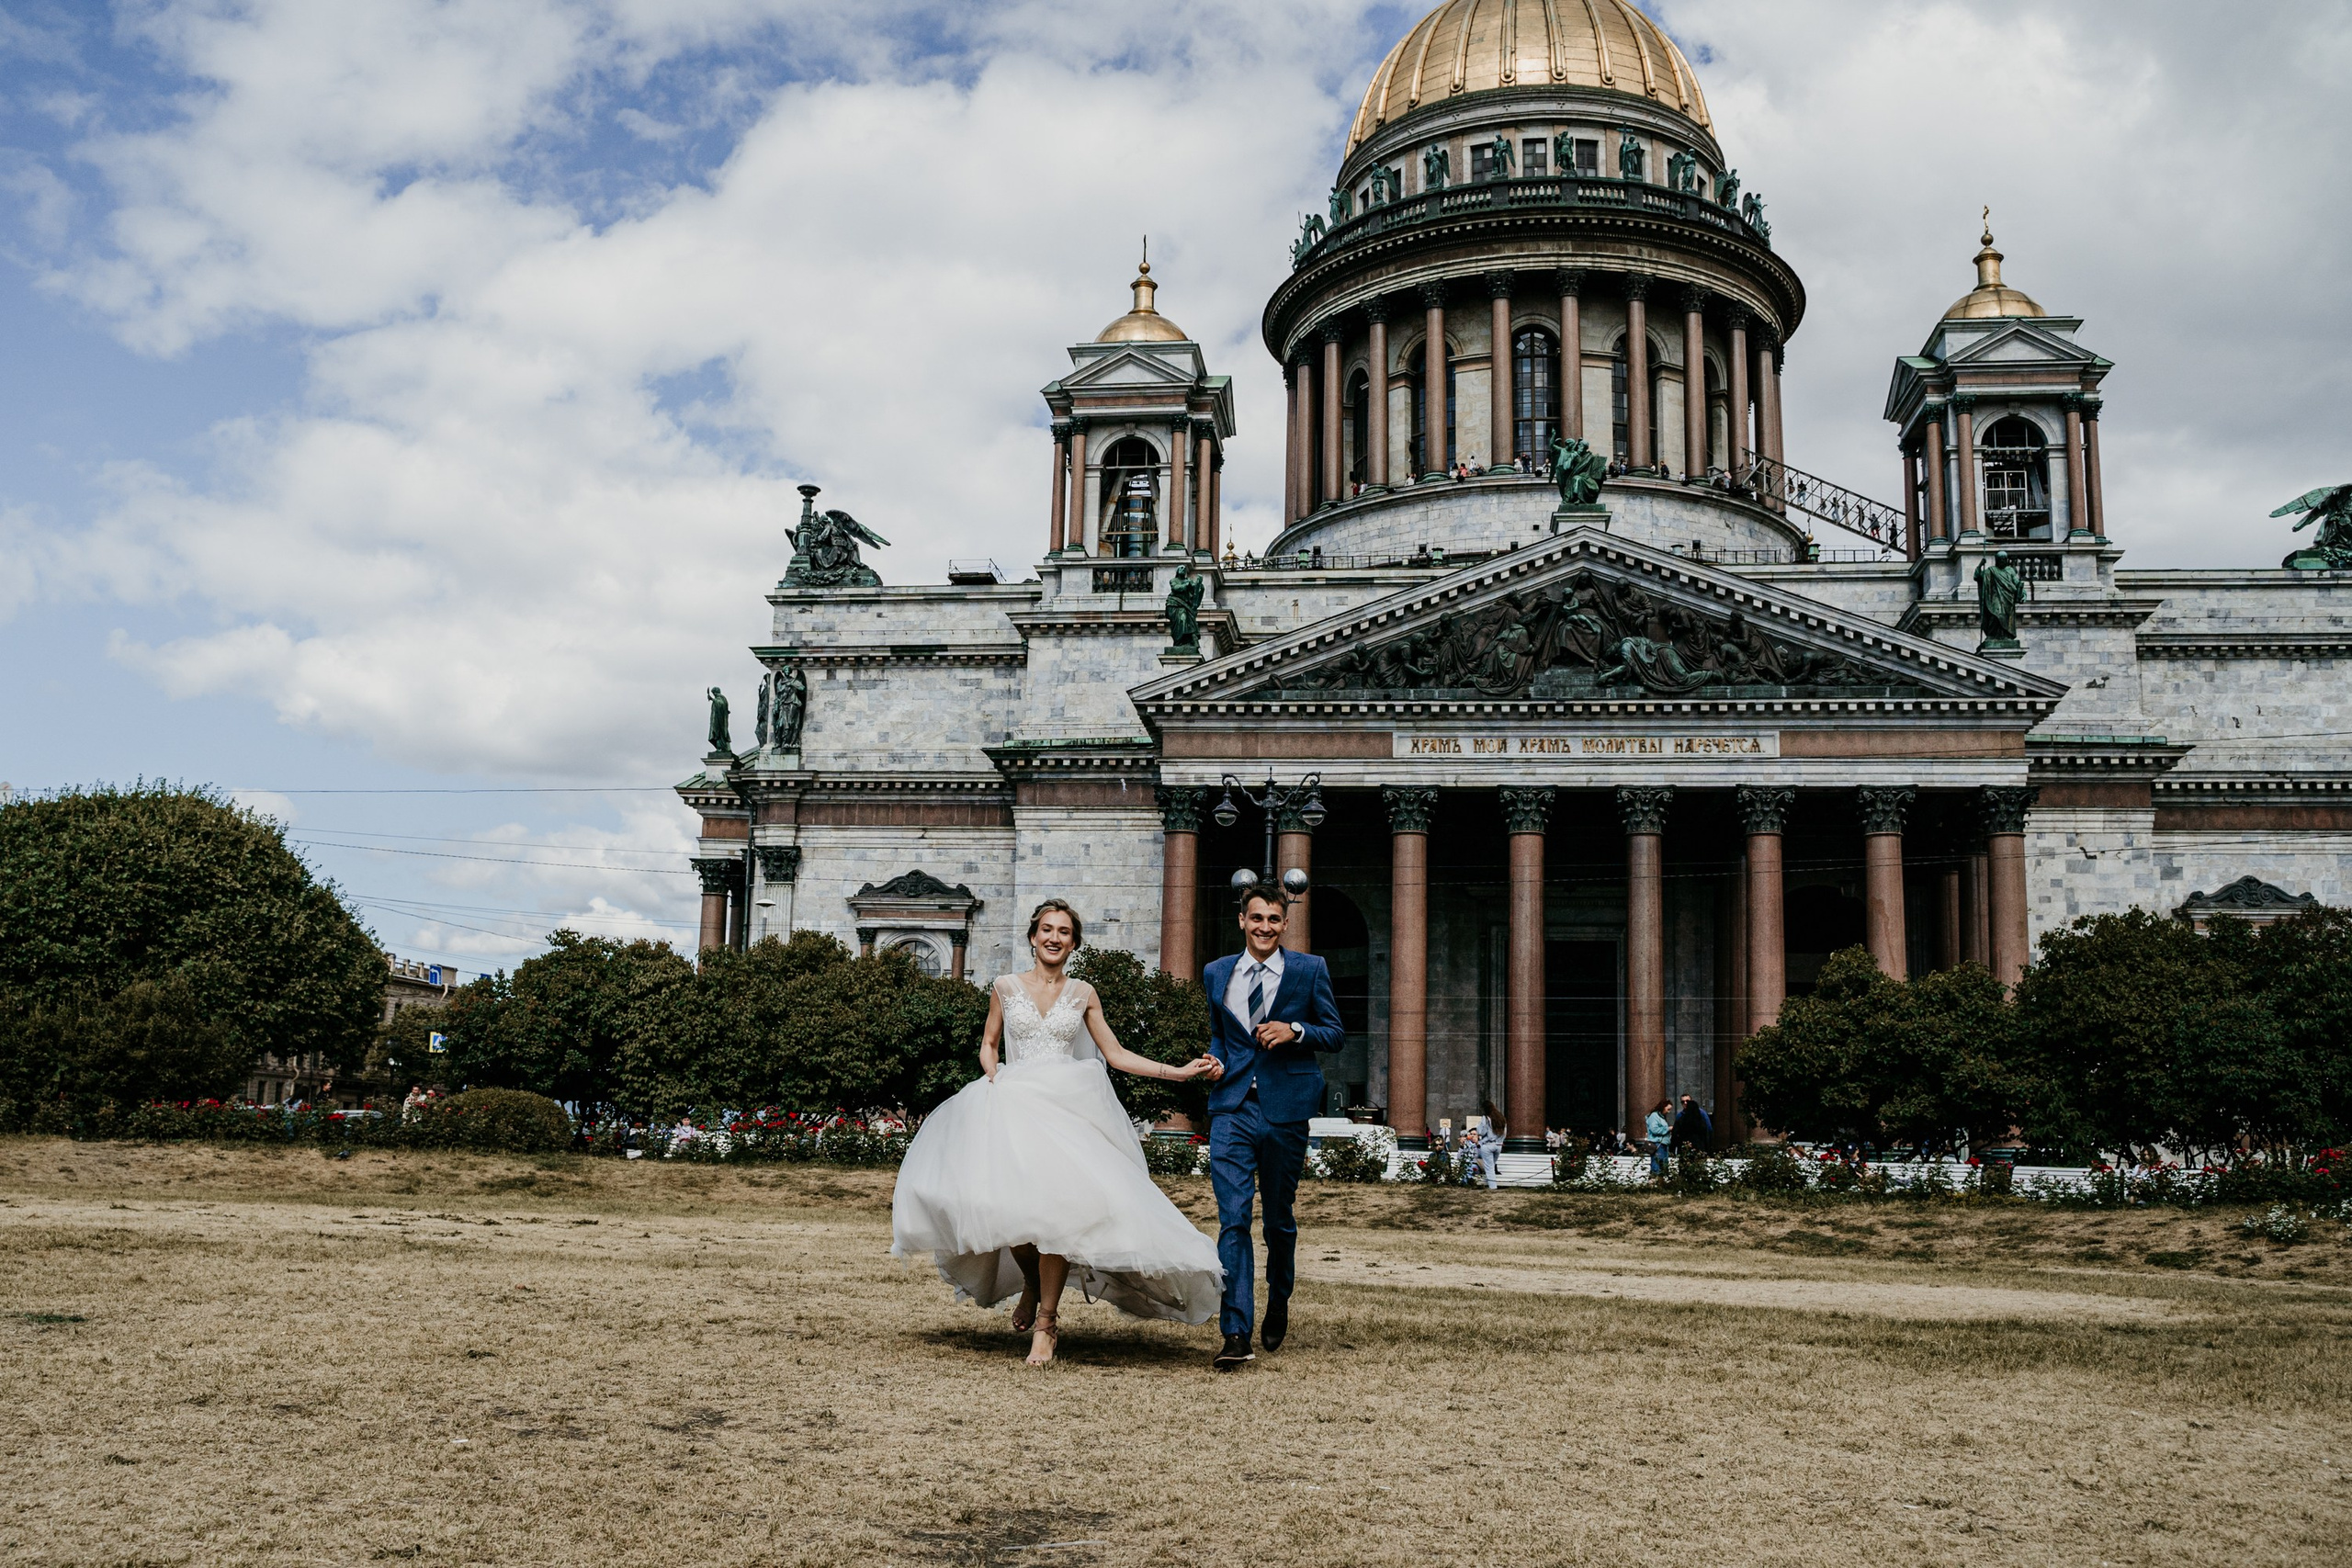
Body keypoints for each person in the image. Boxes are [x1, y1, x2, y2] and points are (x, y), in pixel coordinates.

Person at [892, 898, 1226, 1367]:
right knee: (1010, 1213)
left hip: (1068, 1110)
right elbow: (989, 1045)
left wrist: (1179, 1072)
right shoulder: (1005, 987)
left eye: (1064, 931)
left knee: (1060, 1216)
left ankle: (1047, 1324)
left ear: (1073, 942)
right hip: (1015, 1105)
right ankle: (1031, 1281)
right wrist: (992, 1077)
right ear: (1033, 937)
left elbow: (1115, 1054)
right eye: (1046, 929)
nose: (1054, 937)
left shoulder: (1083, 992)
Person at [1202, 887, 1346, 1371]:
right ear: (1241, 919)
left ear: (1285, 925)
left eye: (1275, 919)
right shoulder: (1217, 972)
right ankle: (1236, 1330)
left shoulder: (1310, 970)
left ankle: (1278, 1297)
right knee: (1234, 1219)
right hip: (1232, 1108)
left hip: (1286, 1108)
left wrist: (1295, 1031)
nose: (1265, 926)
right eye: (1257, 917)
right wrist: (1216, 1061)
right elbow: (1222, 1036)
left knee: (1278, 1221)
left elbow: (1335, 1032)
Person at [1645, 1100, 1673, 1180]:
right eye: (1668, 1109)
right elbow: (1654, 1129)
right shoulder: (1654, 1116)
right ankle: (1654, 1183)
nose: (1669, 1112)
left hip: (1662, 1143)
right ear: (1663, 1107)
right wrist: (1668, 1129)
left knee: (1662, 1165)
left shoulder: (1660, 1116)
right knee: (1657, 1165)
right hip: (1658, 1143)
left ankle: (1660, 1184)